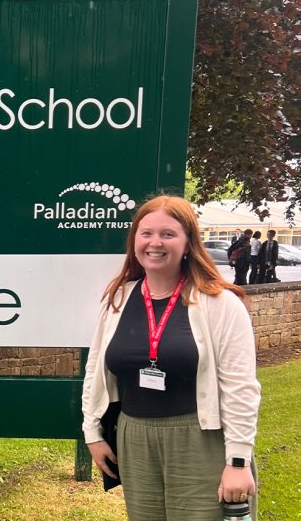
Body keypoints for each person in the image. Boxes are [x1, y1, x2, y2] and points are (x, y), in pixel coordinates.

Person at [81, 195, 260, 520]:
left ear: (189, 242)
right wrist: (91, 432)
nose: (155, 242)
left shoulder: (220, 304)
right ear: (134, 240)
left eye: (168, 234)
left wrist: (237, 461)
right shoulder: (118, 299)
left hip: (200, 440)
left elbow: (240, 388)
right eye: (146, 233)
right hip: (135, 439)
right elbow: (96, 369)